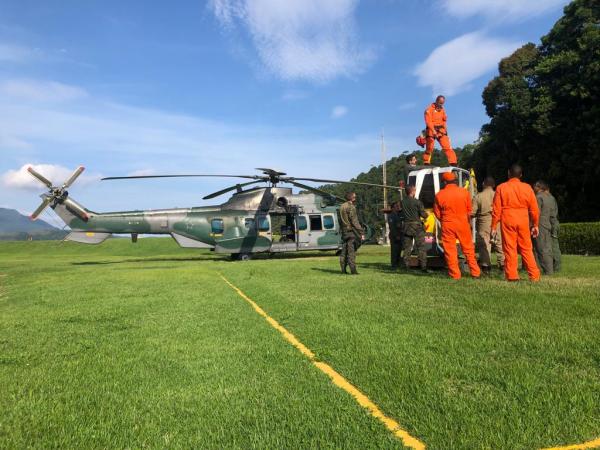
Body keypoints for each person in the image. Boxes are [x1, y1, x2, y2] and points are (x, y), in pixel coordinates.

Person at [491, 164, 540, 281]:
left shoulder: (501, 187)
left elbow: (496, 210)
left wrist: (493, 226)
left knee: (509, 248)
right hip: (523, 219)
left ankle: (512, 276)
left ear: (508, 173)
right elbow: (534, 209)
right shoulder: (527, 188)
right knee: (526, 248)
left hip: (507, 219)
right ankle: (534, 276)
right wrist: (535, 225)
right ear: (521, 175)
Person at [433, 172, 481, 279]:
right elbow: (469, 210)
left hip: (447, 224)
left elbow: (437, 213)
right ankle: (475, 273)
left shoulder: (439, 194)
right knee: (468, 249)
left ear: (444, 182)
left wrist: (445, 219)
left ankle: (455, 274)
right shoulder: (464, 192)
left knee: (450, 250)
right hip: (463, 223)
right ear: (455, 180)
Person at [473, 176, 504, 273]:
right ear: (494, 185)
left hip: (483, 223)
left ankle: (486, 267)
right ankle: (503, 265)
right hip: (498, 222)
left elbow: (472, 212)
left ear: (483, 184)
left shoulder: (478, 196)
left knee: (485, 246)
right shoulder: (498, 195)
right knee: (500, 244)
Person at [423, 95, 458, 167]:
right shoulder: (429, 109)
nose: (441, 105)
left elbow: (444, 121)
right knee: (429, 147)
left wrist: (446, 132)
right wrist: (433, 131)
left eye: (442, 103)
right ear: (436, 101)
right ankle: (426, 162)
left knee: (447, 146)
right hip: (431, 129)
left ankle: (453, 163)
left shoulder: (442, 110)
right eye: (440, 103)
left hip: (441, 130)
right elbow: (428, 122)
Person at [533, 180, 559, 275]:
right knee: (547, 247)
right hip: (547, 224)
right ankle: (549, 269)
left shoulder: (538, 197)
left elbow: (536, 213)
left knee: (540, 248)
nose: (533, 188)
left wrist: (532, 225)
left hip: (539, 224)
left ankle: (547, 271)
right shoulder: (549, 197)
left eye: (534, 186)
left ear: (538, 187)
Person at [401, 185, 428, 271]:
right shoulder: (417, 202)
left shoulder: (402, 202)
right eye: (415, 190)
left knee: (407, 247)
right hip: (417, 227)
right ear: (412, 191)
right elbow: (424, 215)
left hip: (406, 227)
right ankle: (423, 267)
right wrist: (426, 214)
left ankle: (406, 266)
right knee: (421, 247)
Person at [339, 191, 364, 275]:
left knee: (344, 251)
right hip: (351, 232)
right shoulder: (351, 207)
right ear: (351, 198)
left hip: (344, 231)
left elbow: (340, 220)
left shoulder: (342, 206)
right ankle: (353, 270)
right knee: (351, 252)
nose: (355, 198)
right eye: (354, 196)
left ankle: (343, 269)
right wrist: (361, 232)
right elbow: (354, 221)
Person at [548, 187, 562, 272]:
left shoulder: (548, 198)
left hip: (552, 223)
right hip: (554, 222)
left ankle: (556, 267)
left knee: (554, 246)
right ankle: (556, 266)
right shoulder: (552, 198)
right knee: (554, 245)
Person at [388, 201, 404, 269]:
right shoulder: (391, 216)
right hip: (394, 235)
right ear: (392, 208)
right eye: (396, 206)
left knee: (399, 250)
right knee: (394, 251)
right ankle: (393, 264)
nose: (398, 207)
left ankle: (398, 263)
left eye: (398, 206)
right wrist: (396, 235)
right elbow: (392, 227)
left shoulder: (398, 215)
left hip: (400, 234)